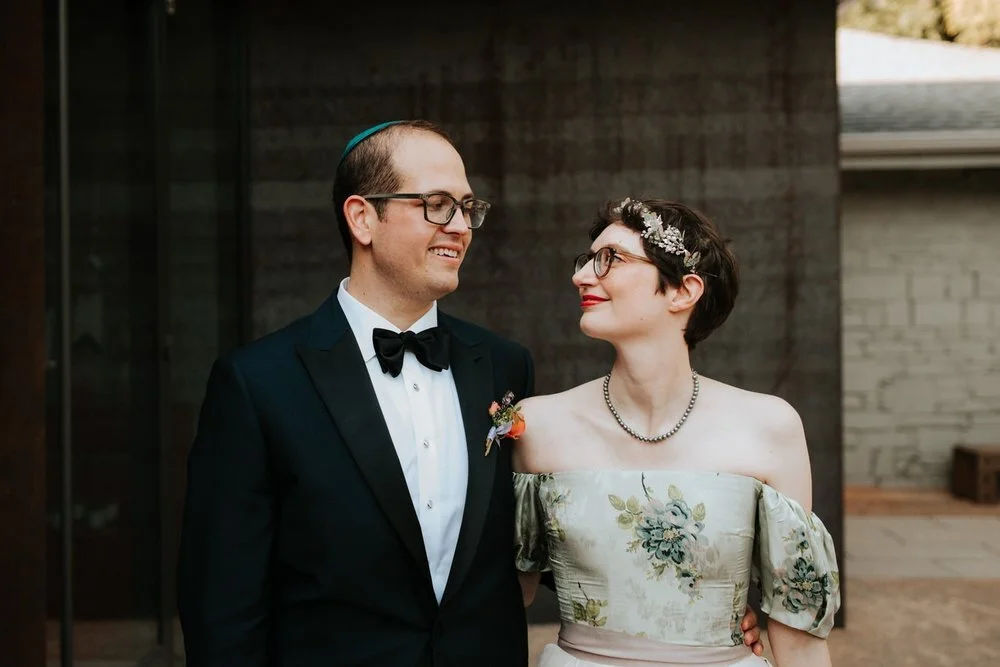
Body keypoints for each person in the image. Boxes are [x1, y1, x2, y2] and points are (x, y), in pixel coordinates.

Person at [176, 120, 762, 667]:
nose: (459, 225)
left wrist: (700, 605)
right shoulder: (258, 383)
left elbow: (549, 537)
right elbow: (221, 599)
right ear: (362, 219)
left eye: (466, 207)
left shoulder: (504, 367)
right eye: (435, 205)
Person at [513, 197, 841, 667]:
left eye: (611, 259)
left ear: (683, 291)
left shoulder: (770, 427)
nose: (582, 275)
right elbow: (500, 600)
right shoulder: (537, 426)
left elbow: (799, 634)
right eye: (586, 259)